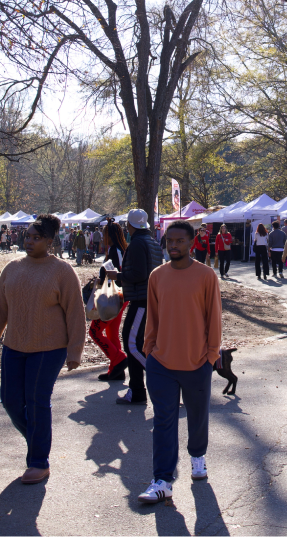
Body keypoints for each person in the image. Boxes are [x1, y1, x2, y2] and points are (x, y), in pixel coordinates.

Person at [0, 214, 85, 484]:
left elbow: (75, 313)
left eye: (36, 238)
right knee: (11, 401)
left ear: (49, 241)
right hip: (14, 346)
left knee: (37, 401)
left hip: (50, 348)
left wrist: (75, 351)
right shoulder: (12, 268)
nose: (29, 241)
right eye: (27, 236)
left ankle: (38, 461)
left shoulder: (62, 271)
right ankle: (38, 437)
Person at [136, 220, 222, 505]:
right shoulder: (157, 276)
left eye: (179, 241)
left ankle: (197, 457)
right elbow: (153, 318)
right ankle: (162, 480)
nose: (173, 245)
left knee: (197, 417)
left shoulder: (206, 276)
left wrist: (210, 356)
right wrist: (150, 350)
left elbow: (214, 319)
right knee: (163, 421)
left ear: (191, 243)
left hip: (198, 362)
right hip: (161, 363)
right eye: (169, 241)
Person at [117, 209, 158, 406]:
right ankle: (136, 390)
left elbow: (139, 274)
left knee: (131, 344)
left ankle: (161, 377)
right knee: (136, 343)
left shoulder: (137, 244)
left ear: (129, 225)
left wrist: (117, 276)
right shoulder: (152, 242)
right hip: (149, 300)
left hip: (141, 301)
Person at [93, 222, 130, 383]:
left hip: (114, 297)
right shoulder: (119, 250)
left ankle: (119, 358)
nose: (102, 237)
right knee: (111, 332)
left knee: (94, 331)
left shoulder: (116, 251)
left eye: (104, 233)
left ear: (110, 235)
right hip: (119, 296)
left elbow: (117, 275)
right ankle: (116, 369)